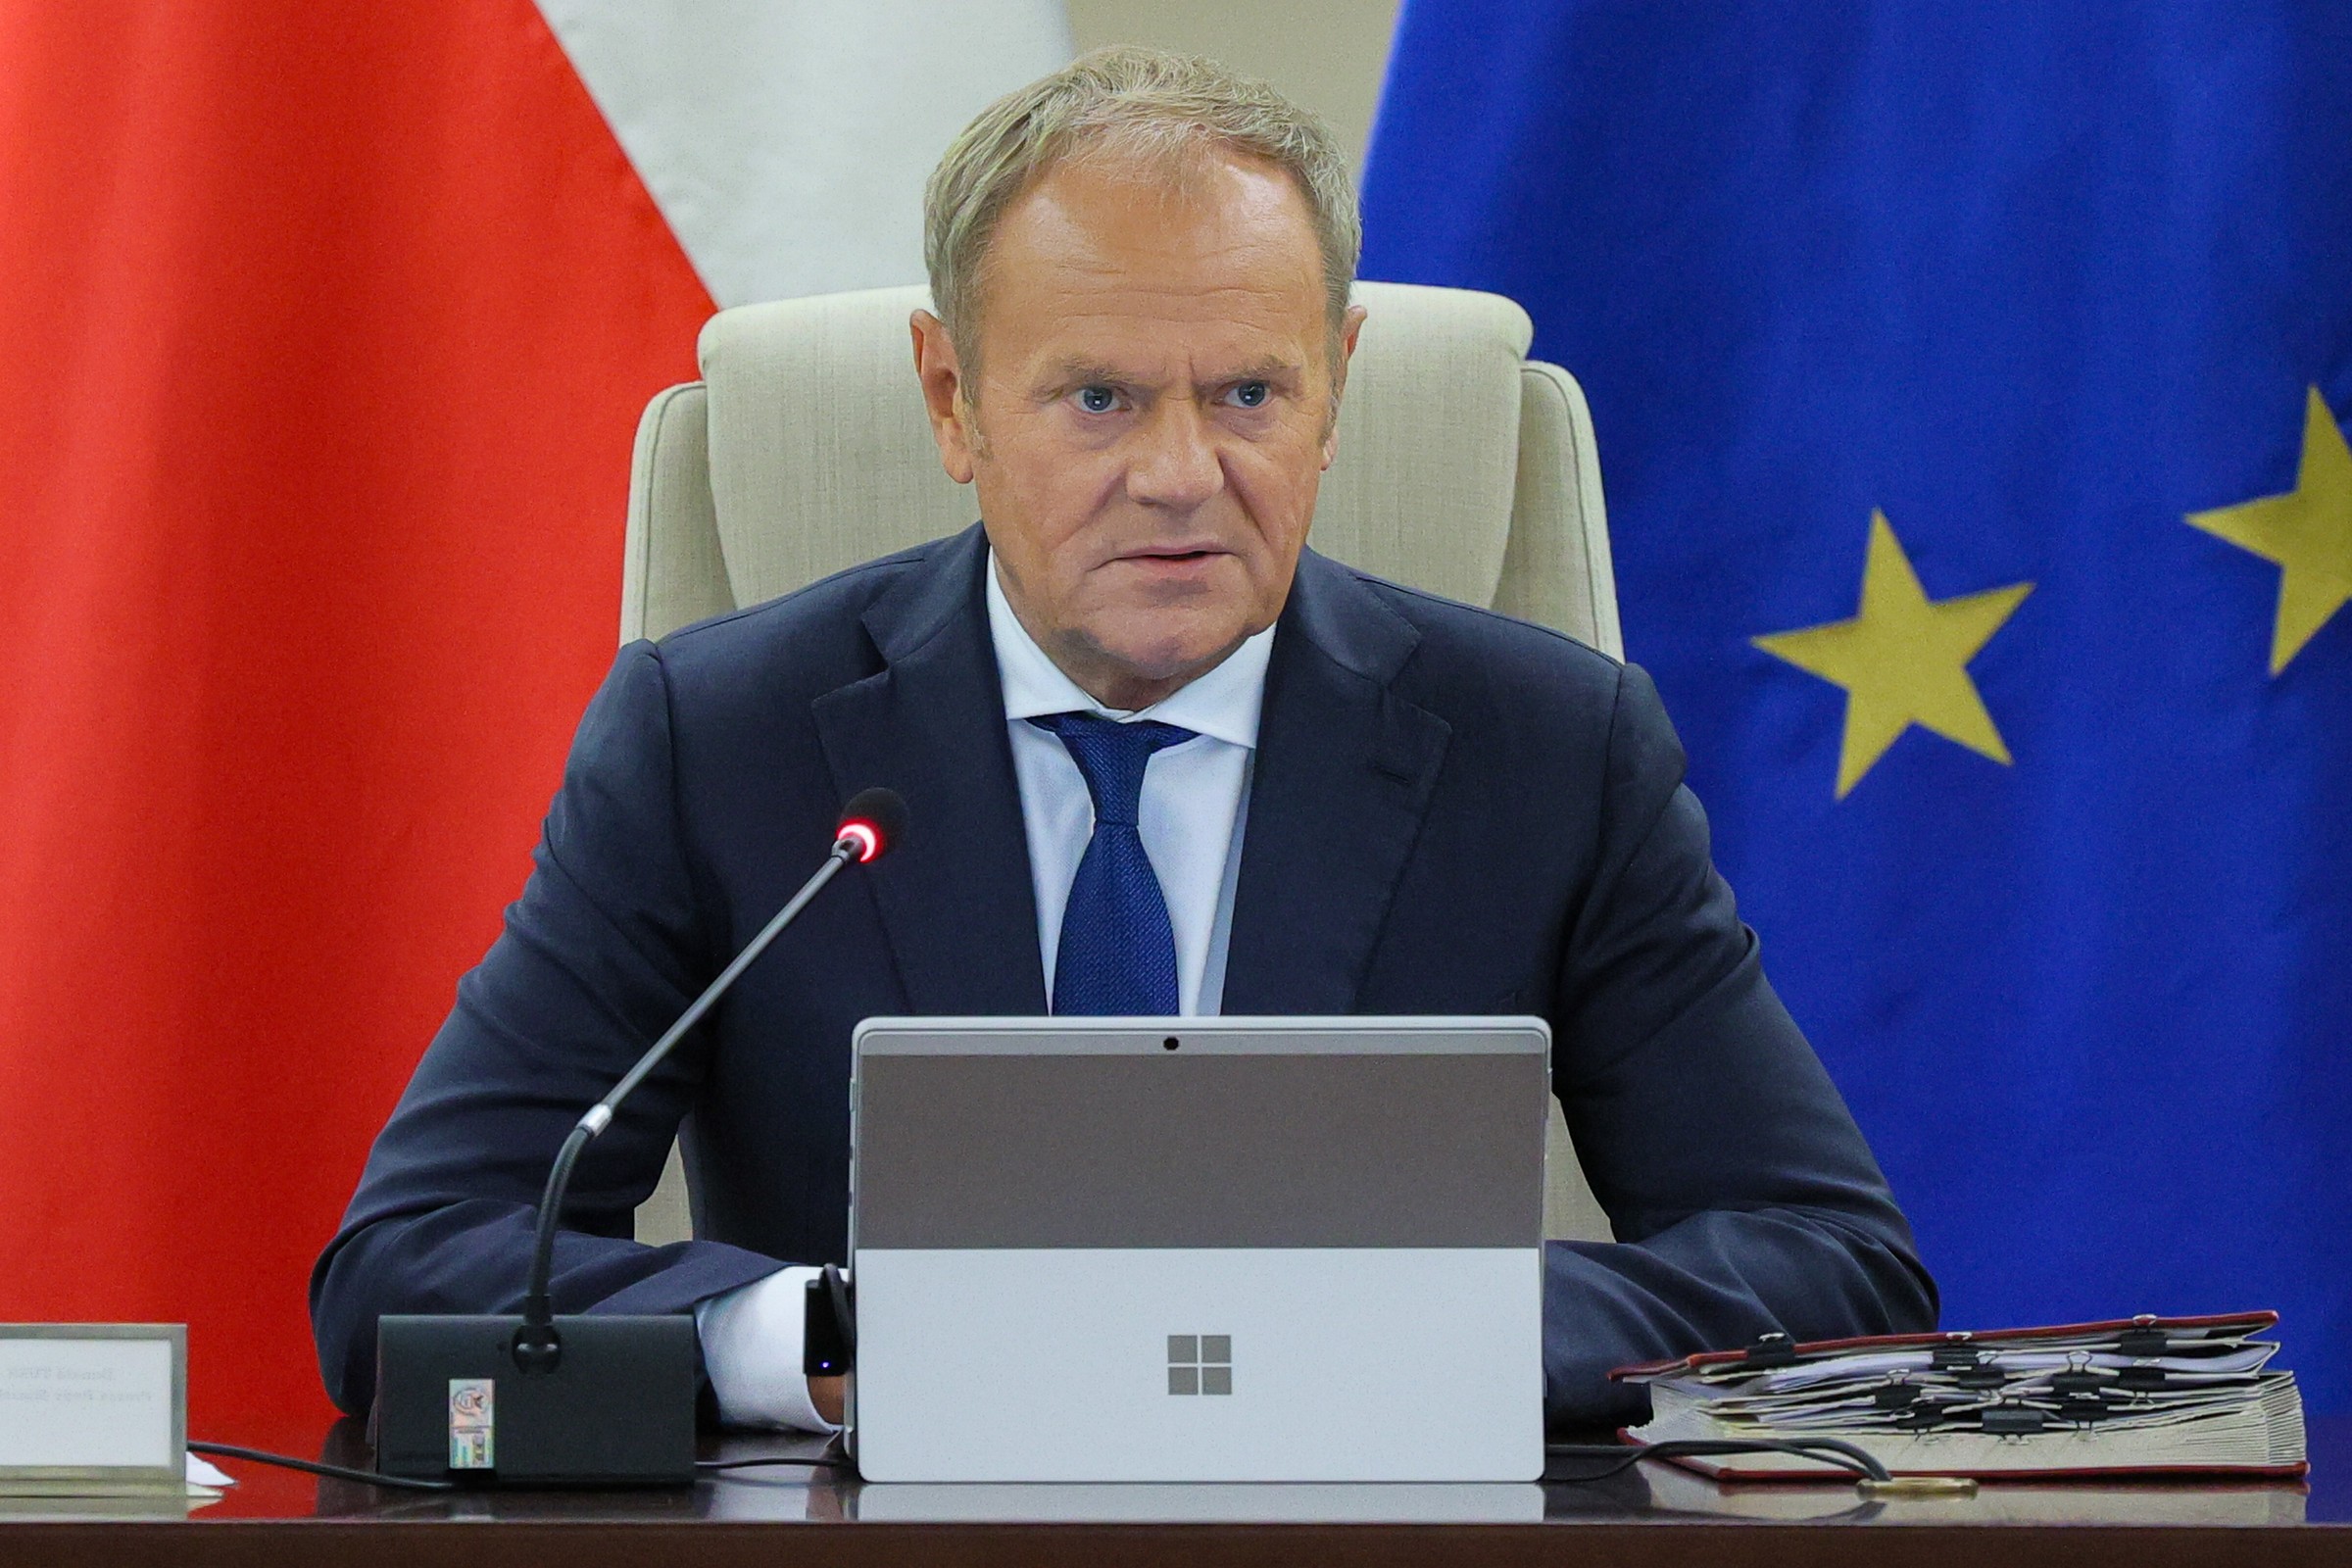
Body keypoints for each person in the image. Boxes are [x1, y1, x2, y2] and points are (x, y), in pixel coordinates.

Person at [313, 47, 1936, 1433]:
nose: (1178, 474)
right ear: (951, 401)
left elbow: (1835, 1265)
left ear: (1336, 389)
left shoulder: (1547, 751)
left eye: (1248, 396)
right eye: (1099, 399)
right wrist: (817, 1337)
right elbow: (409, 1272)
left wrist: (1408, 1331)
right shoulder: (720, 743)